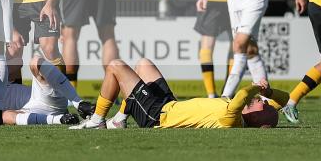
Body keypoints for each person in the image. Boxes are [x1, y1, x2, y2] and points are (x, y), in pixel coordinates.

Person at [71, 57, 284, 130]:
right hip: (170, 105)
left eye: (261, 104)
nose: (259, 100)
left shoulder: (231, 119)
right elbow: (285, 101)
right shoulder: (255, 115)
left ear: (256, 116)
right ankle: (119, 120)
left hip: (157, 116)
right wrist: (271, 91)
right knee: (143, 64)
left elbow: (241, 96)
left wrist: (257, 86)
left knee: (116, 66)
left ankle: (97, 121)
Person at [0, 55, 93, 126]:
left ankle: (79, 104)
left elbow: (17, 63)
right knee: (4, 116)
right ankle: (60, 120)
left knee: (36, 61)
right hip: (34, 113)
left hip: (44, 98)